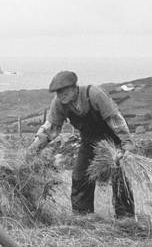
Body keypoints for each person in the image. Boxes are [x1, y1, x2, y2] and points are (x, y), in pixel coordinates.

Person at [27, 71, 136, 218]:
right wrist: (34, 148)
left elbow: (115, 119)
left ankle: (126, 217)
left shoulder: (94, 94)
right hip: (89, 142)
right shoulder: (59, 103)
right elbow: (51, 127)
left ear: (74, 87)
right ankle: (82, 216)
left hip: (113, 141)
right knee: (80, 177)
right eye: (58, 92)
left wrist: (126, 143)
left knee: (119, 178)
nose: (60, 95)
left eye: (63, 91)